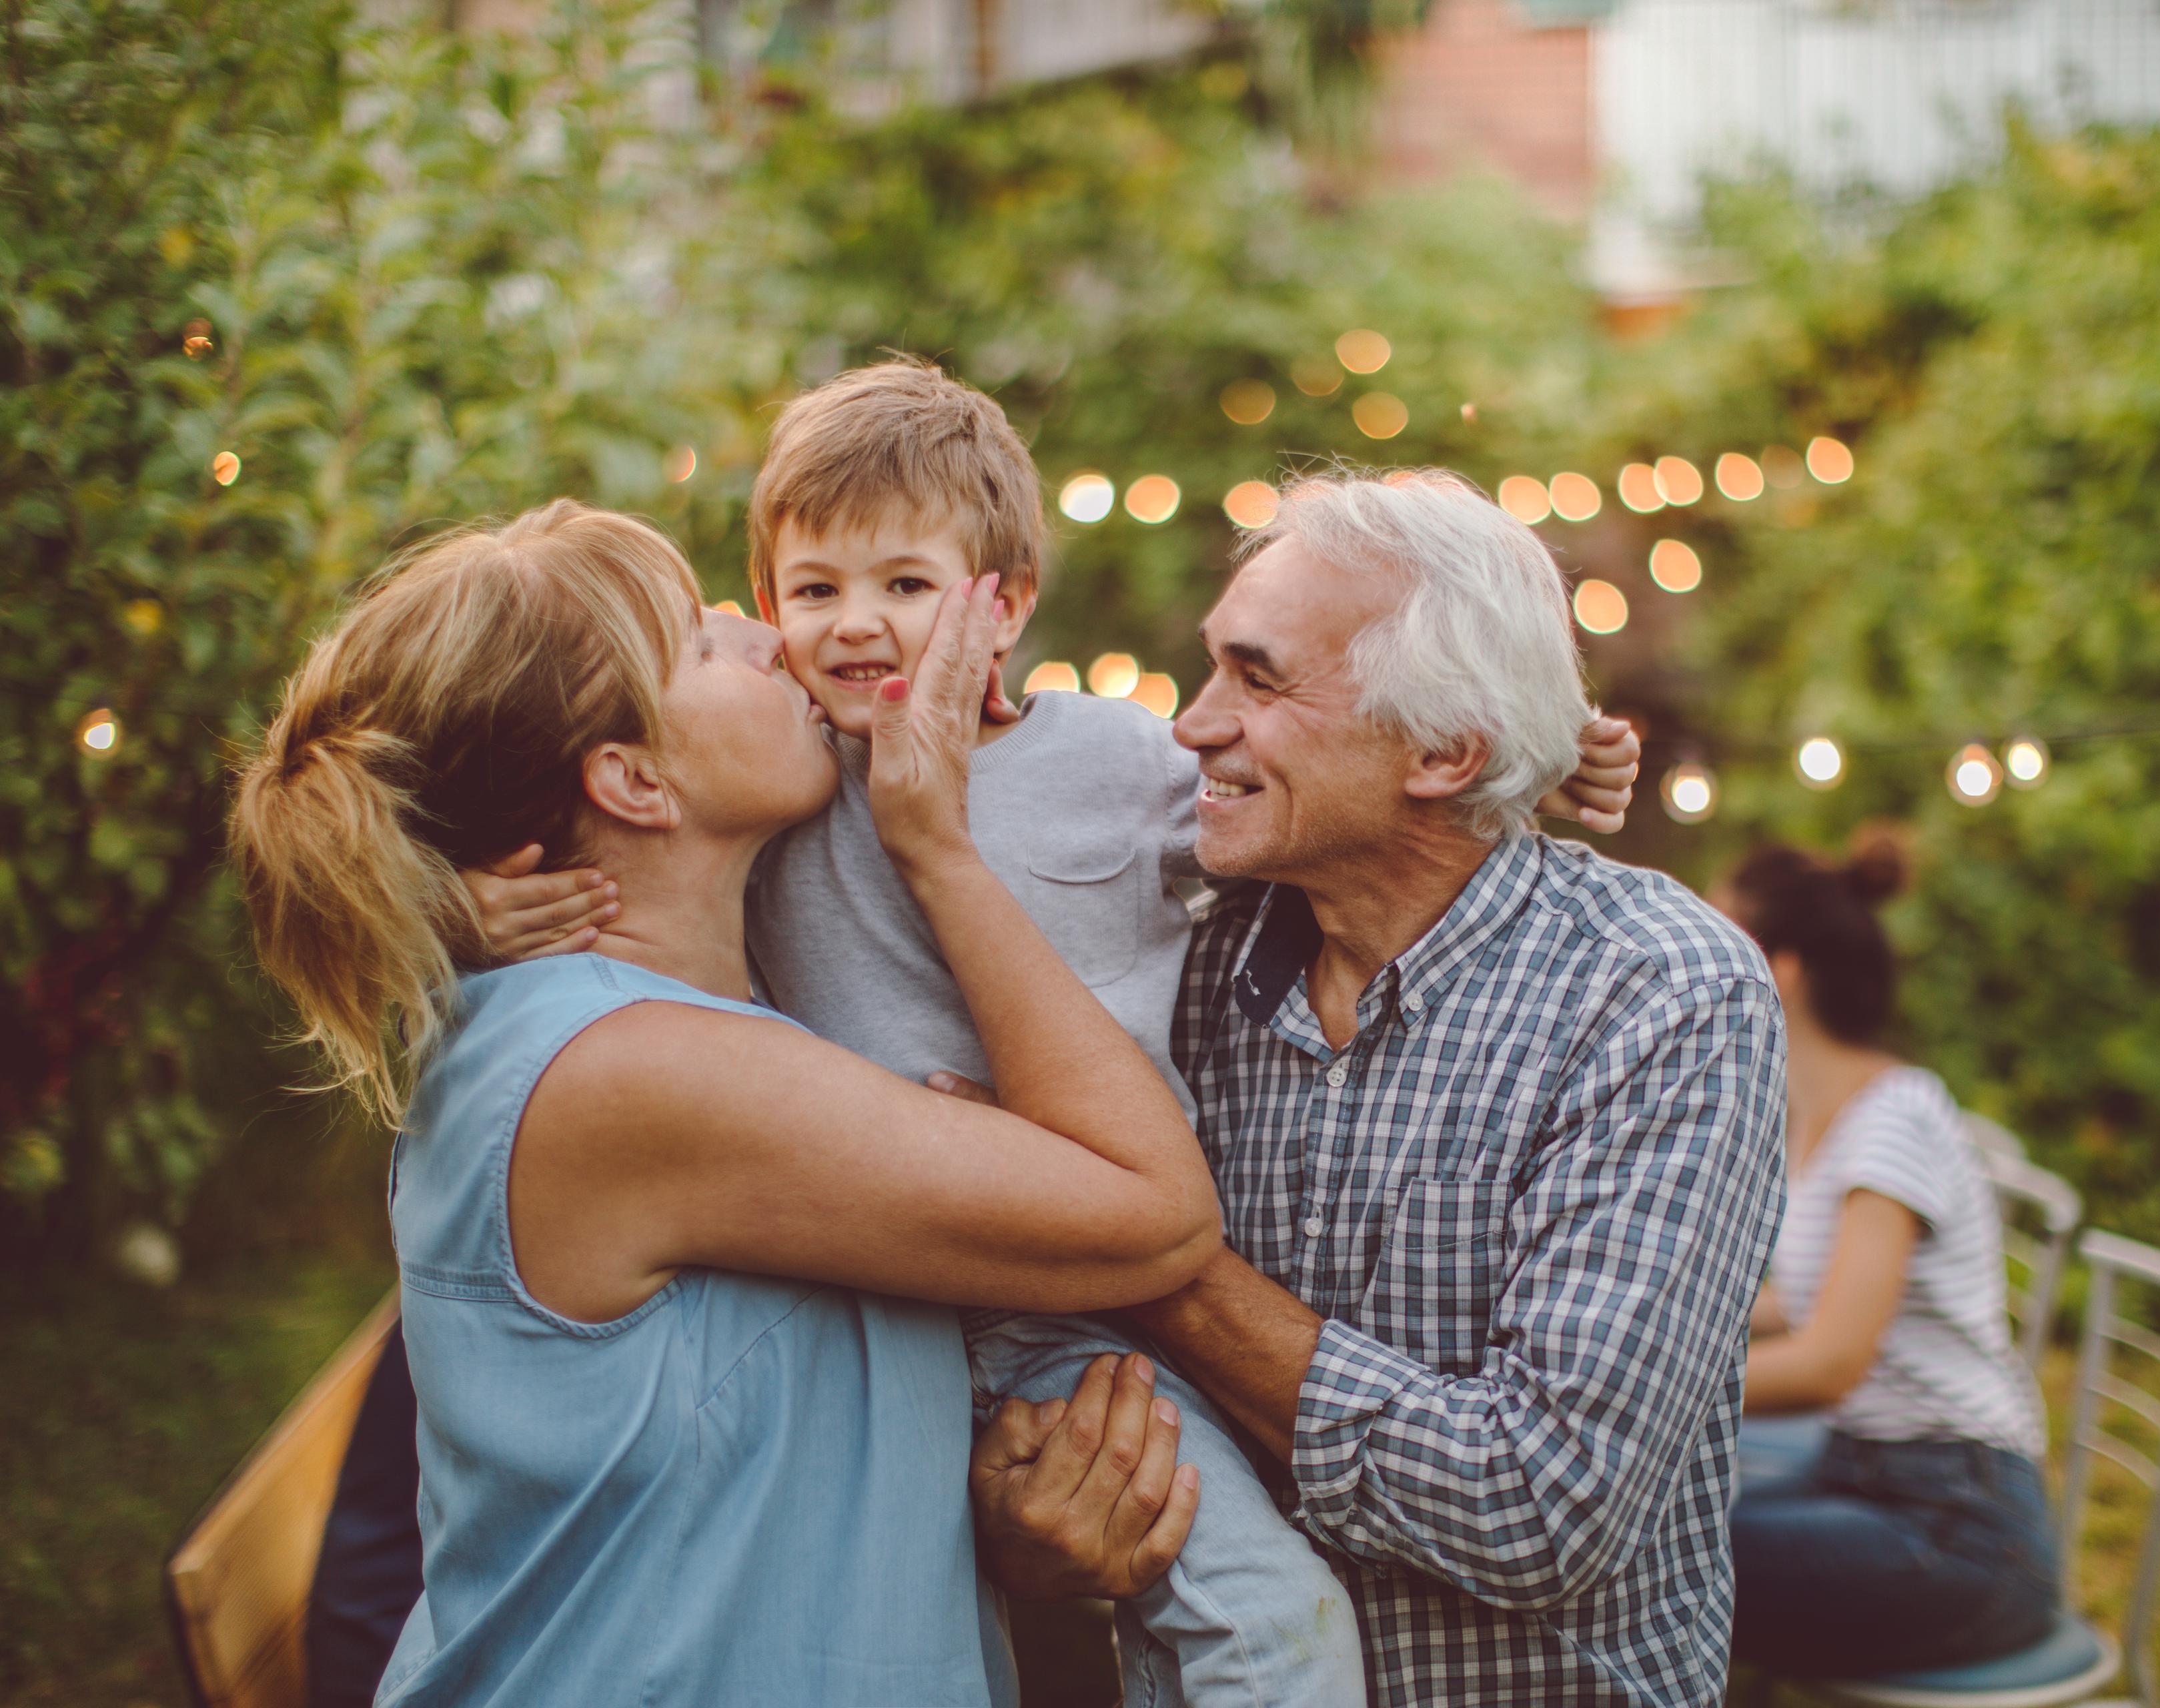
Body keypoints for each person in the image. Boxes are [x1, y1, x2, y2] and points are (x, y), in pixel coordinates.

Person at [452, 361, 1642, 1707]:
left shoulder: (1111, 766)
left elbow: (1329, 796)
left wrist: (1543, 760)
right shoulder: (783, 783)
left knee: (1274, 1619)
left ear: (1001, 601)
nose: (852, 627)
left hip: (1072, 1308)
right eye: (812, 591)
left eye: (905, 586)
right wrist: (467, 897)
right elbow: (563, 838)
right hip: (884, 1289)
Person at [233, 500, 1221, 1707]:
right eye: (700, 643)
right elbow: (1155, 1212)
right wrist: (936, 849)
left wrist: (998, 1516)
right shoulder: (634, 1072)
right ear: (637, 782)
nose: (763, 636)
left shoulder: (603, 1024)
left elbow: (733, 1451)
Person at [967, 470, 1790, 1708]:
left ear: (1447, 750)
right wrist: (1022, 1515)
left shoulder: (1660, 995)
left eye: (1258, 679)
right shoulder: (1173, 959)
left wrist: (1119, 1230)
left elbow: (1539, 1503)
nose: (1192, 725)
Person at [1718, 835, 2059, 1679]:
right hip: (1870, 1478)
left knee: (1645, 1558)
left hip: (1960, 1527)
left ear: (1779, 972)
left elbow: (1831, 1360)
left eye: (1713, 936)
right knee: (1658, 1524)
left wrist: (1633, 1386)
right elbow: (1799, 1300)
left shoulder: (1892, 1118)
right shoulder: (1822, 1117)